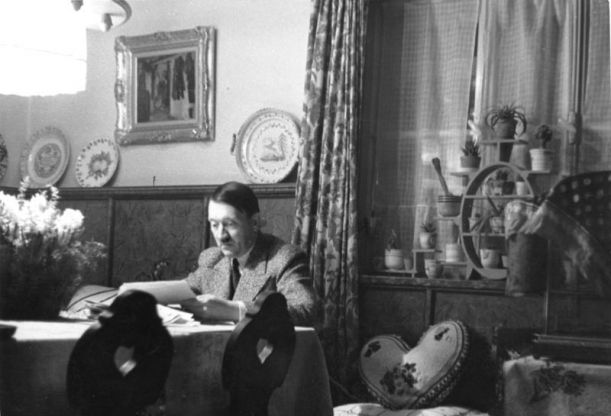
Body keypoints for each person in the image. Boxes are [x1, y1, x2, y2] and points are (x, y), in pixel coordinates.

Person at [180, 181, 319, 327]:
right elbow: (182, 292)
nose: (221, 236)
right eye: (214, 225)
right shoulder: (213, 258)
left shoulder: (284, 258)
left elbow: (305, 311)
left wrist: (235, 310)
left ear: (254, 223)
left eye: (230, 224)